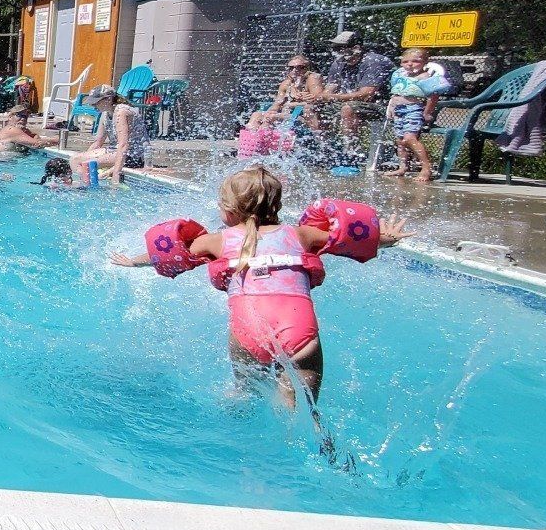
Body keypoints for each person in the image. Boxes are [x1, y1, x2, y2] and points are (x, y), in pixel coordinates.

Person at [112, 164, 409, 408]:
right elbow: (348, 240)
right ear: (277, 205)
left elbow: (170, 254)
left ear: (228, 211)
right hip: (299, 328)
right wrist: (388, 239)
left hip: (248, 331)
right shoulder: (301, 234)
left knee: (244, 396)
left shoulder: (217, 241)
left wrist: (133, 262)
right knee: (301, 413)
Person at [385, 48, 449, 182]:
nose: (410, 64)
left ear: (425, 62)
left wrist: (427, 112)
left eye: (415, 61)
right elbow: (395, 95)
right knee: (400, 141)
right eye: (405, 61)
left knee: (410, 138)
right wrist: (391, 107)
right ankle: (403, 167)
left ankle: (426, 168)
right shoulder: (400, 76)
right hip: (398, 110)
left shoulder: (425, 77)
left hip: (413, 109)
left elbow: (433, 96)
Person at [322, 30, 395, 146]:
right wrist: (321, 97)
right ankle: (324, 147)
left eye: (340, 48)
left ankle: (350, 150)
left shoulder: (374, 61)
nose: (336, 51)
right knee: (311, 108)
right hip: (349, 102)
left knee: (348, 108)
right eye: (335, 48)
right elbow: (329, 89)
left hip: (381, 105)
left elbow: (366, 94)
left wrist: (333, 97)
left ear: (356, 48)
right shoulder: (338, 63)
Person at [69, 86, 148, 184]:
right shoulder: (105, 113)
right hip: (114, 151)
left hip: (133, 155)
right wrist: (85, 159)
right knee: (74, 160)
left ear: (108, 99)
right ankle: (87, 183)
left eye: (96, 102)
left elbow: (124, 145)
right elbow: (98, 143)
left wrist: (116, 173)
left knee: (89, 164)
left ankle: (91, 187)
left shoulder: (121, 112)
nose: (93, 105)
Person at [247, 55, 325, 133]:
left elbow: (316, 102)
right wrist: (267, 114)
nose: (295, 70)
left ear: (307, 68)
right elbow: (277, 105)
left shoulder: (312, 80)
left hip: (304, 119)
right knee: (256, 115)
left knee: (272, 118)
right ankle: (252, 137)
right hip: (287, 115)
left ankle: (263, 137)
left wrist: (290, 105)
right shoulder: (286, 84)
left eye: (300, 67)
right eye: (291, 68)